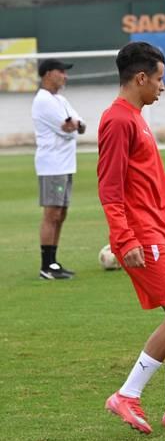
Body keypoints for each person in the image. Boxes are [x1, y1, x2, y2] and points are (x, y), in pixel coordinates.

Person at [98, 42, 165, 433]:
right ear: (141, 77)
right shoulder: (119, 120)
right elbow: (109, 189)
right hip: (142, 237)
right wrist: (125, 241)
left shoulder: (135, 116)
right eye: (159, 79)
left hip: (156, 232)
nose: (163, 87)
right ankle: (126, 394)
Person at [33, 59, 85, 280]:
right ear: (47, 74)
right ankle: (47, 265)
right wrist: (73, 126)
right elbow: (67, 128)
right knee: (52, 214)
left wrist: (74, 125)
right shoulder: (43, 100)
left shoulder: (60, 99)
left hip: (65, 163)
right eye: (61, 72)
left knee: (61, 214)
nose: (65, 76)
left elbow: (79, 125)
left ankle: (53, 262)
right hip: (52, 165)